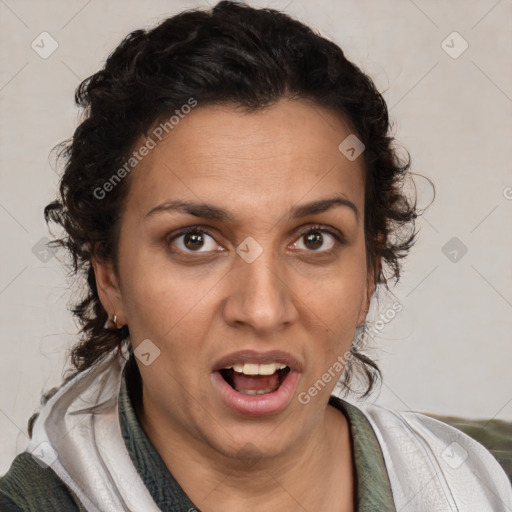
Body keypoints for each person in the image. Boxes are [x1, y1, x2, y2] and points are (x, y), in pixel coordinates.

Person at [1, 1, 511, 511]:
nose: (263, 309)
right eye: (195, 240)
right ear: (109, 275)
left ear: (369, 273)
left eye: (314, 239)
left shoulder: (487, 480)